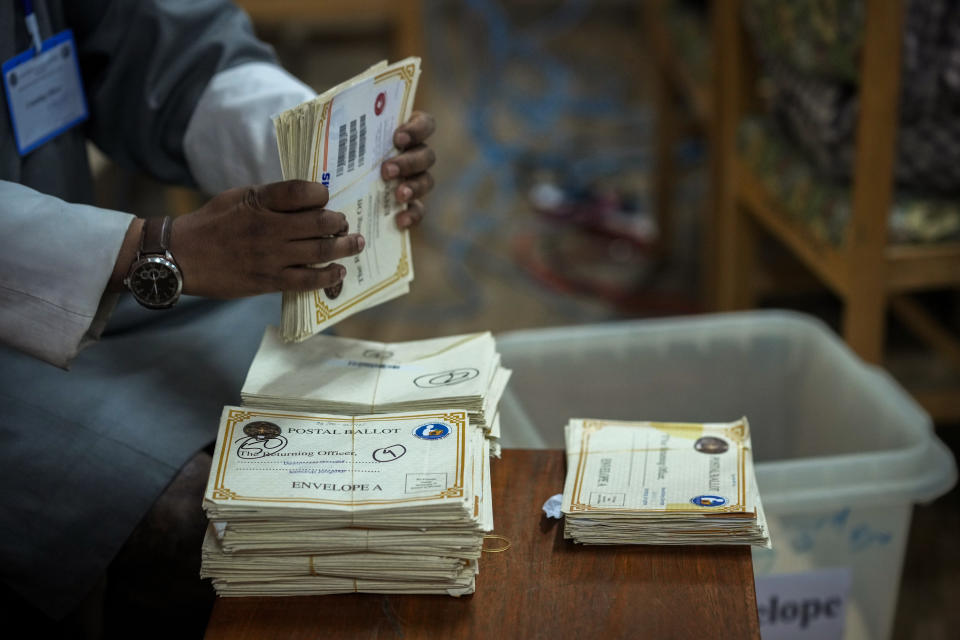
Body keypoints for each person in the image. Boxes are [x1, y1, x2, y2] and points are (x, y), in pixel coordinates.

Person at [0, 1, 436, 636]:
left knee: (305, 351)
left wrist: (319, 157)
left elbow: (165, 49)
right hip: (60, 283)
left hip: (77, 289)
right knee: (209, 517)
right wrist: (149, 250)